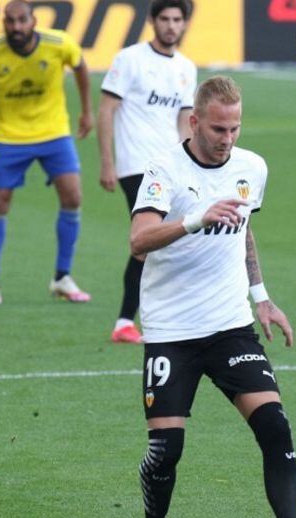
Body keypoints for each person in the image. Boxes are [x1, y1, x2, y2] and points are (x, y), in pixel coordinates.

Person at [130, 76, 296, 518]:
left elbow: (244, 229)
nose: (227, 138)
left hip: (230, 327)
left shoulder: (252, 167)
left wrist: (261, 296)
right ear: (195, 121)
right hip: (172, 331)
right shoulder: (163, 170)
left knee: (276, 429)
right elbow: (139, 241)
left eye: (235, 127)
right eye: (218, 128)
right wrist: (196, 217)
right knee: (167, 450)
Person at [0, 0, 93, 306]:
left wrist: (87, 111)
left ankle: (62, 277)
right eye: (10, 21)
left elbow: (81, 65)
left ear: (34, 21)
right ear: (3, 23)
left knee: (73, 197)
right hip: (7, 136)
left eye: (22, 21)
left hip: (53, 132)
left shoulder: (58, 43)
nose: (16, 27)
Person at [98, 0, 198, 343]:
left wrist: (193, 164)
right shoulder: (130, 60)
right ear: (153, 22)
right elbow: (107, 111)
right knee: (149, 241)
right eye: (165, 19)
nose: (171, 26)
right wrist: (107, 163)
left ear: (184, 24)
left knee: (165, 242)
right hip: (135, 166)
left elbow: (184, 122)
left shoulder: (186, 67)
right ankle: (127, 320)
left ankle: (137, 319)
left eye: (177, 20)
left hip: (172, 167)